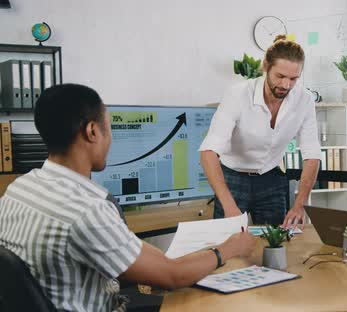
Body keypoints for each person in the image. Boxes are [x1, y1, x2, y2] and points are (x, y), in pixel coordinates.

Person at [0, 84, 256, 312]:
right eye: (109, 128)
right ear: (92, 131)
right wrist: (230, 247)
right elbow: (173, 276)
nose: (111, 139)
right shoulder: (87, 211)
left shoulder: (18, 189)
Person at [199, 35, 321, 228]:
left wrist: (300, 204)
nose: (285, 85)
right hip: (233, 177)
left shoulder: (304, 100)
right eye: (280, 76)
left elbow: (312, 154)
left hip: (271, 178)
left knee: (274, 243)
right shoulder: (237, 95)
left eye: (293, 79)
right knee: (227, 242)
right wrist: (229, 206)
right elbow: (208, 152)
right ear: (266, 66)